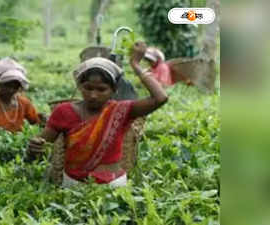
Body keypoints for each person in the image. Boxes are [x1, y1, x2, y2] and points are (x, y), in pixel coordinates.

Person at [27, 42, 168, 187]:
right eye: (88, 88)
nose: (93, 95)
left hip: (113, 185)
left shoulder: (121, 111)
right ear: (79, 86)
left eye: (101, 89)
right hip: (73, 184)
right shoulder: (64, 112)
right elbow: (40, 149)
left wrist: (135, 65)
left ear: (113, 90)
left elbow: (160, 98)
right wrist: (34, 148)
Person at [0, 57, 43, 133]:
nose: (11, 90)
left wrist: (44, 120)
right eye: (8, 85)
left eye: (15, 87)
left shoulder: (24, 103)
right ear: (0, 85)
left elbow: (36, 123)